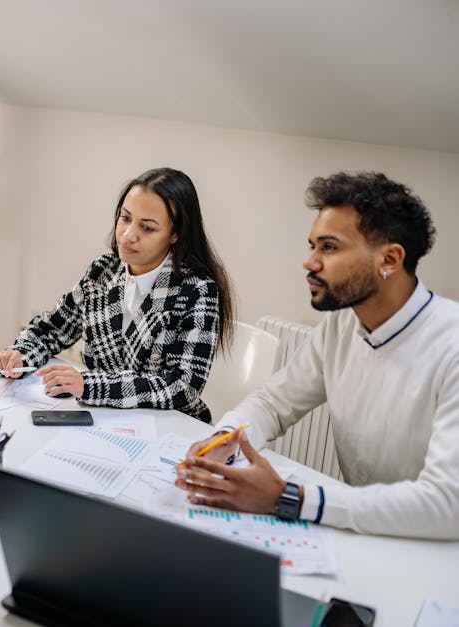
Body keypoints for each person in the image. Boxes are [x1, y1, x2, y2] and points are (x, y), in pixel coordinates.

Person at [176, 172, 459, 540]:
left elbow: (446, 504)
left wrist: (289, 499)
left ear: (389, 259)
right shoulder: (341, 323)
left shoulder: (450, 345)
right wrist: (225, 438)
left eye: (329, 247)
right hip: (365, 533)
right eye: (312, 246)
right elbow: (273, 402)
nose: (309, 262)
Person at [0, 168, 234, 422]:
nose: (128, 236)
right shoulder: (103, 270)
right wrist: (20, 354)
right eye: (125, 218)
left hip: (171, 428)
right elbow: (52, 329)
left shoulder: (198, 290)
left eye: (147, 228)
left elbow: (183, 387)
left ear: (175, 234)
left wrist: (90, 385)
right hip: (102, 420)